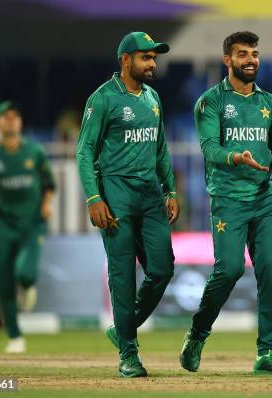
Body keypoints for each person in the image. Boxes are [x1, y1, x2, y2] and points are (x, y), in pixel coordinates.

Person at [180, 31, 272, 375]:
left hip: (264, 199)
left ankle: (267, 352)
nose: (251, 60)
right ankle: (197, 334)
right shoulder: (211, 102)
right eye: (243, 54)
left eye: (254, 54)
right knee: (230, 269)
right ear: (227, 60)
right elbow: (209, 148)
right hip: (228, 199)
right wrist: (237, 156)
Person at [76, 31, 179, 378]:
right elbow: (84, 151)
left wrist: (172, 190)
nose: (152, 63)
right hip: (116, 194)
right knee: (123, 274)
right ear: (125, 60)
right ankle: (129, 353)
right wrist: (94, 197)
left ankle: (122, 328)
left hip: (150, 196)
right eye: (146, 57)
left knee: (163, 269)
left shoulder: (152, 97)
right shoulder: (103, 98)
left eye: (154, 58)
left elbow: (161, 147)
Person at [0, 101, 55, 354]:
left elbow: (49, 184)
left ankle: (28, 286)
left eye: (14, 117)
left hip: (32, 223)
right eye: (5, 117)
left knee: (25, 274)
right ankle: (15, 336)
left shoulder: (35, 152)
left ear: (20, 122)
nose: (10, 121)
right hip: (3, 224)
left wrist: (47, 204)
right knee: (3, 281)